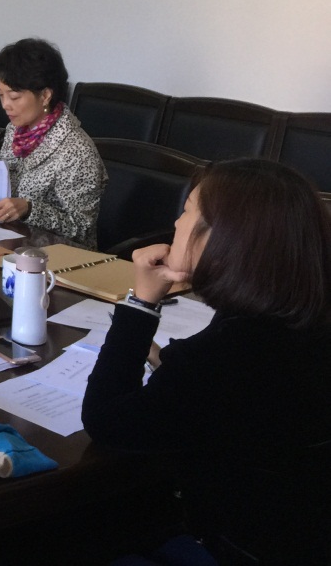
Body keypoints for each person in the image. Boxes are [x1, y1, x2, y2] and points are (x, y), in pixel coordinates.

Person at [82, 159, 331, 564]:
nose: (176, 223)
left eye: (186, 211)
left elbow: (106, 423)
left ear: (225, 239)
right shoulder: (299, 320)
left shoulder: (219, 358)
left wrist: (141, 302)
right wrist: (170, 364)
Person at [0, 38, 106, 248]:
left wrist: (29, 209)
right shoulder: (15, 130)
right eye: (0, 95)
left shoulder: (77, 151)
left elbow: (81, 228)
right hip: (11, 240)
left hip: (58, 256)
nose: (5, 105)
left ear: (45, 95)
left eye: (14, 97)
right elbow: (6, 194)